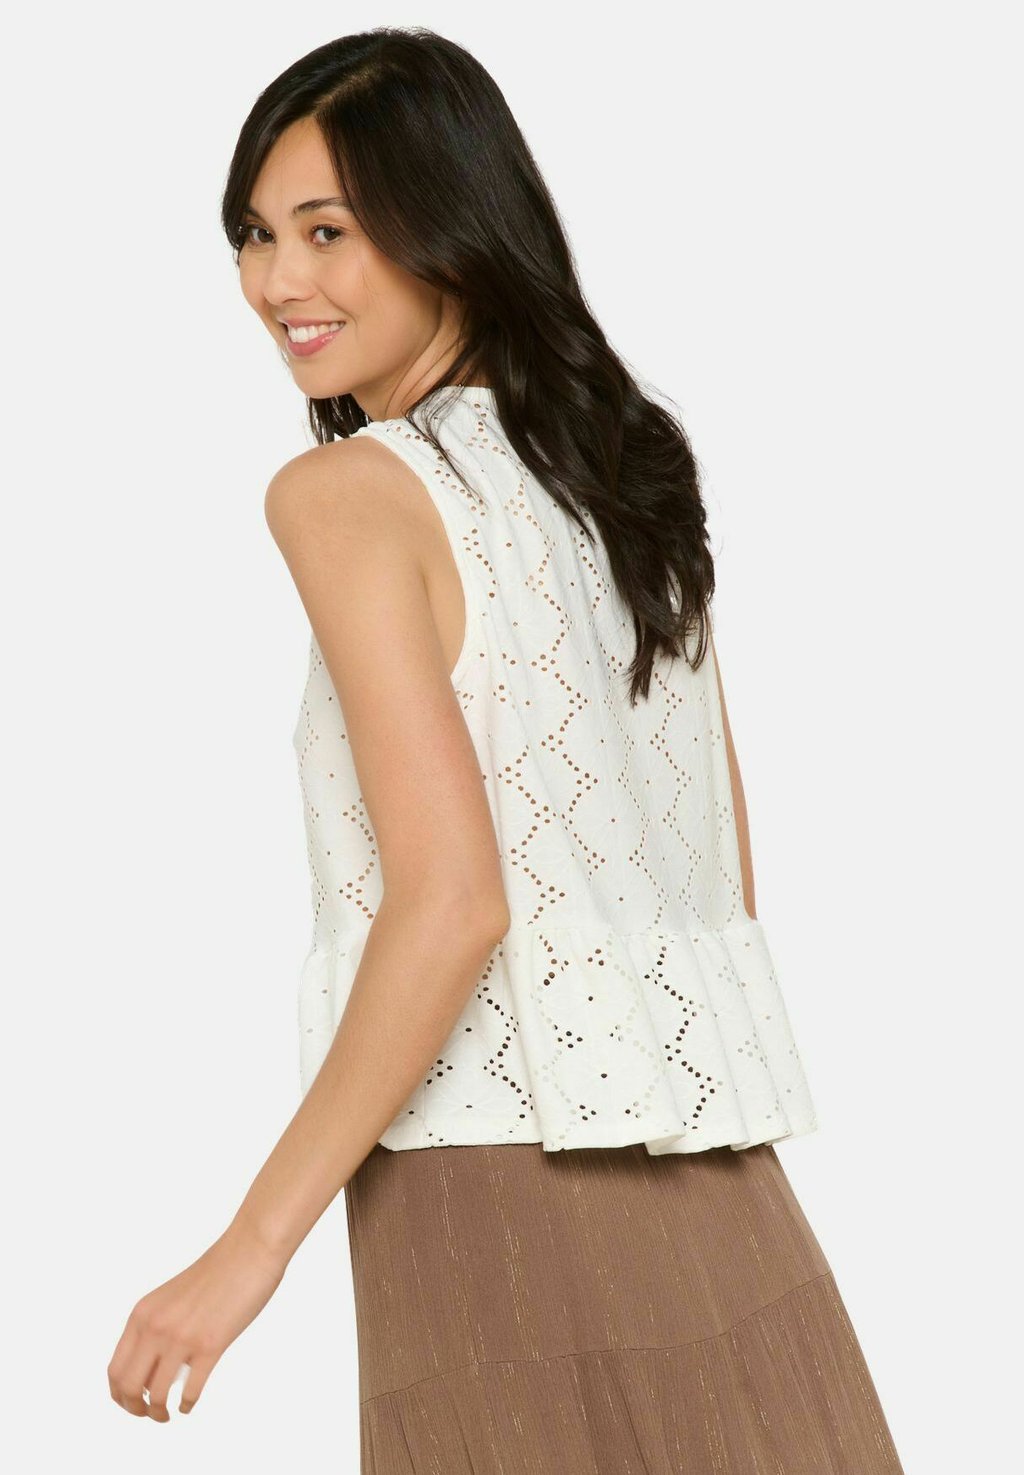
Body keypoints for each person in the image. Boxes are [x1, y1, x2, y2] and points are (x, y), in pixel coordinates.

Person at [107, 26, 907, 1472]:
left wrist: (248, 1249)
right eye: (255, 235)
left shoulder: (347, 495)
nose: (278, 282)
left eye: (328, 231)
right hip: (727, 1196)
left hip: (494, 1197)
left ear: (451, 232)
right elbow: (714, 872)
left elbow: (455, 903)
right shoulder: (623, 475)